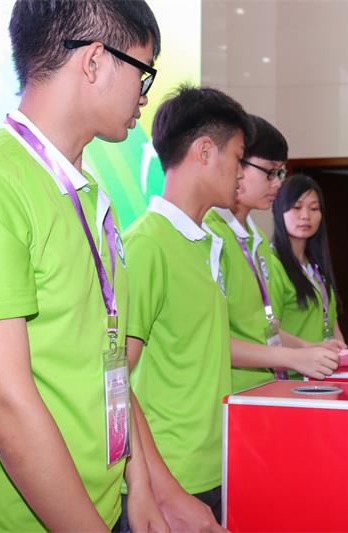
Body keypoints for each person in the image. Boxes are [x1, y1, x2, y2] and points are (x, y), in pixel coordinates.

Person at [0, 1, 166, 530]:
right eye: (142, 72)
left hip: (102, 506)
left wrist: (140, 485)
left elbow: (107, 361)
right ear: (94, 61)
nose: (143, 95)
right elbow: (1, 402)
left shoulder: (91, 197)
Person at [121, 86, 248, 529]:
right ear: (205, 151)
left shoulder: (206, 244)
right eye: (238, 158)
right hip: (169, 484)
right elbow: (114, 380)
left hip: (213, 469)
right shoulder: (146, 245)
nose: (242, 173)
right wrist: (164, 493)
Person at [204, 116, 341, 393]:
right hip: (226, 394)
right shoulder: (208, 235)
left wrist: (309, 348)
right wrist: (295, 356)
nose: (277, 184)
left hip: (261, 389)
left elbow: (266, 328)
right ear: (236, 164)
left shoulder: (258, 243)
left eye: (281, 173)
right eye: (270, 172)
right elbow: (207, 341)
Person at [269, 174, 345, 350]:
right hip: (291, 366)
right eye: (297, 207)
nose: (305, 216)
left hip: (322, 364)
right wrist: (311, 348)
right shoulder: (272, 263)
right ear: (279, 211)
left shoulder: (316, 266)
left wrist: (344, 355)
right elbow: (269, 332)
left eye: (314, 208)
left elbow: (333, 326)